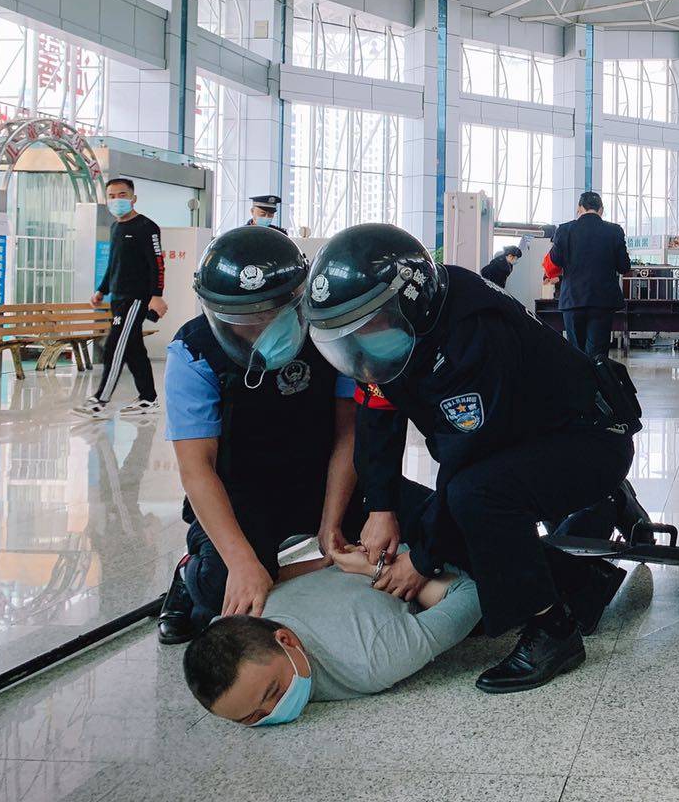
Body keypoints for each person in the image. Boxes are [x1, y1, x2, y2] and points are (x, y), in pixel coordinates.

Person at [304, 224, 636, 694]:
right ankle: (590, 548)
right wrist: (381, 506)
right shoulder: (393, 334)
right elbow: (376, 419)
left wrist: (422, 558)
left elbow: (466, 464)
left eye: (366, 325)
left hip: (592, 440)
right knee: (423, 493)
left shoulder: (471, 334)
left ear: (409, 301)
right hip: (530, 436)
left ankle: (553, 630)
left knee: (476, 496)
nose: (359, 342)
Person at [156, 226, 374, 643]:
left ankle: (287, 567)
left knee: (402, 530)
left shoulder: (329, 334)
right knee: (223, 588)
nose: (257, 329)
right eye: (240, 321)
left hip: (320, 480)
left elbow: (349, 436)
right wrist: (241, 563)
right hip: (241, 492)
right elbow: (196, 468)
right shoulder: (194, 351)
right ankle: (190, 573)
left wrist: (331, 524)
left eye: (269, 315)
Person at [182, 541, 480, 726]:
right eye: (251, 719)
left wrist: (377, 571)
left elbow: (476, 594)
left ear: (286, 640)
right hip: (352, 552)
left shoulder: (373, 658)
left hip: (421, 547)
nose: (274, 712)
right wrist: (324, 564)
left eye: (275, 691)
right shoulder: (231, 625)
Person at [74, 177, 168, 419]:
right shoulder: (116, 227)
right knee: (134, 349)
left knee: (114, 347)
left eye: (122, 195)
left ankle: (99, 400)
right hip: (117, 297)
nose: (117, 200)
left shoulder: (146, 227)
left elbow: (157, 264)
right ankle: (148, 398)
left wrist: (156, 296)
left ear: (133, 198)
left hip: (135, 299)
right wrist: (101, 290)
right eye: (112, 196)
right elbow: (113, 264)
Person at [550, 190, 632, 359]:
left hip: (573, 299)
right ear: (601, 209)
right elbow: (624, 266)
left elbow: (555, 260)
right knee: (598, 354)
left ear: (579, 208)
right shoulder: (614, 231)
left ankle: (579, 385)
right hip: (602, 301)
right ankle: (598, 385)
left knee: (576, 353)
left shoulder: (565, 229)